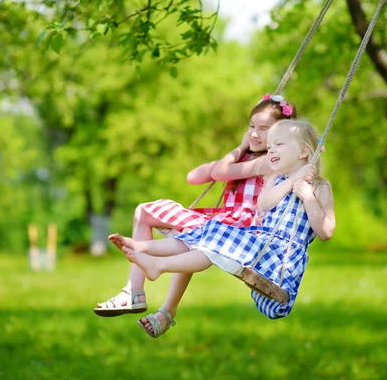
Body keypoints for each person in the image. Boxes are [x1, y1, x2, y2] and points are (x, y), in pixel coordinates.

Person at [110, 119, 335, 335]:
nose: (271, 150)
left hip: (280, 262)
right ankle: (150, 254)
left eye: (279, 144)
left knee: (219, 237)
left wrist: (308, 198)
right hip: (260, 248)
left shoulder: (319, 188)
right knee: (214, 238)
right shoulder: (275, 180)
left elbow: (326, 231)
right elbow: (265, 204)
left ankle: (151, 255)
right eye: (270, 146)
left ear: (304, 151)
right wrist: (292, 179)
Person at [94, 96, 298, 327]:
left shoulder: (270, 162)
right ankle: (133, 291)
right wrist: (241, 151)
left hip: (240, 228)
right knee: (144, 211)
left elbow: (221, 173)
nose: (254, 134)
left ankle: (166, 308)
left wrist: (239, 147)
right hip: (220, 220)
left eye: (264, 129)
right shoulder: (246, 158)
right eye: (251, 126)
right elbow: (194, 176)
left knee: (196, 237)